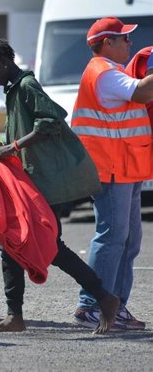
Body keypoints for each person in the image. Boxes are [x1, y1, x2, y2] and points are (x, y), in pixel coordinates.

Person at [0, 33, 120, 334]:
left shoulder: (26, 85)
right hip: (33, 181)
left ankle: (104, 297)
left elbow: (51, 121)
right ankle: (16, 315)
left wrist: (12, 148)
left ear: (4, 61)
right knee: (13, 244)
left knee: (48, 247)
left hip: (48, 183)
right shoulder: (13, 89)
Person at [70, 17, 153, 330]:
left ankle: (115, 305)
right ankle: (90, 305)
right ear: (107, 43)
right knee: (112, 238)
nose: (130, 43)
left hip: (126, 169)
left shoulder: (112, 72)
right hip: (112, 170)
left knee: (127, 241)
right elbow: (144, 93)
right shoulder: (103, 73)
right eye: (124, 39)